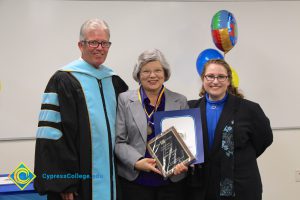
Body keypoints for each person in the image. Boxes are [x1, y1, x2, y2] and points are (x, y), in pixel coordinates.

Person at [34, 19, 128, 200]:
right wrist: (64, 181)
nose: (99, 47)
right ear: (80, 45)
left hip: (113, 180)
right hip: (77, 184)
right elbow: (52, 135)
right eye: (93, 42)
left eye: (104, 43)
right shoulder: (63, 81)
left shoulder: (115, 82)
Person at [186, 59, 273, 200]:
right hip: (201, 188)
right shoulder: (190, 108)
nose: (215, 81)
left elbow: (264, 140)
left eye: (221, 76)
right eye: (210, 76)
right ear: (203, 79)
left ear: (228, 80)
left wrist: (238, 157)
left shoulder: (249, 109)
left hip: (239, 186)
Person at [114, 49, 188, 200]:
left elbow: (186, 142)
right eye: (146, 71)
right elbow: (118, 141)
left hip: (172, 181)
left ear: (165, 74)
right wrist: (137, 161)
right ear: (138, 75)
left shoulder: (180, 100)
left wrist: (183, 161)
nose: (152, 75)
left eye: (157, 70)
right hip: (135, 180)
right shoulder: (124, 100)